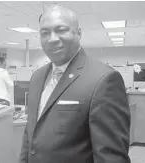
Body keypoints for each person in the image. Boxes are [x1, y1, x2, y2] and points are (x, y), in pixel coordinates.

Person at [20, 5, 130, 163]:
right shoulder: (37, 77)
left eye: (61, 30)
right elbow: (30, 136)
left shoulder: (104, 79)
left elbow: (111, 157)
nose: (52, 39)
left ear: (79, 33)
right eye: (45, 33)